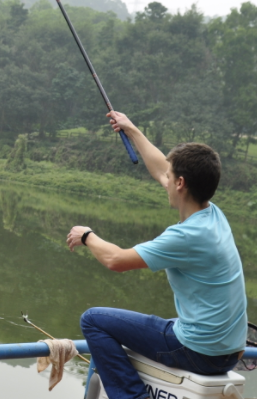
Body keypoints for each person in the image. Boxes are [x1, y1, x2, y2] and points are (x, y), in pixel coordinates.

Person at [66, 111, 247, 399]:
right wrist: (131, 129)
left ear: (180, 183)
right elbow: (162, 168)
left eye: (171, 175)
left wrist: (87, 236)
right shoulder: (212, 213)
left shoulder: (187, 236)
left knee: (93, 319)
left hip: (200, 353)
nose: (166, 176)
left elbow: (116, 261)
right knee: (164, 322)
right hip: (229, 351)